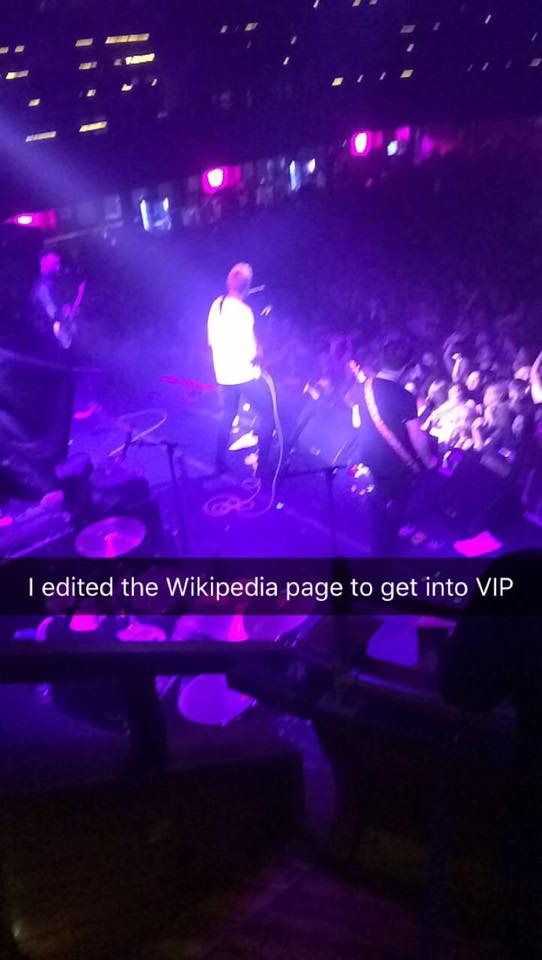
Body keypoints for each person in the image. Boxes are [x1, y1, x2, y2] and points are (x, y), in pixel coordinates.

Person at [350, 338, 434, 553]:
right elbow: (416, 436)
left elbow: (356, 422)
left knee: (377, 504)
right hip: (395, 463)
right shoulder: (403, 396)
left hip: (368, 456)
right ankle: (389, 549)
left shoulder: (363, 387)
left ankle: (381, 546)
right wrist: (428, 462)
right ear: (406, 366)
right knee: (398, 508)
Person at [207, 262, 274, 477]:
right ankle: (263, 466)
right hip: (244, 375)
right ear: (247, 286)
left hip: (223, 373)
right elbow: (251, 353)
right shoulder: (245, 312)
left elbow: (211, 341)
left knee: (227, 415)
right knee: (269, 414)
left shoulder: (217, 304)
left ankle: (219, 463)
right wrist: (260, 354)